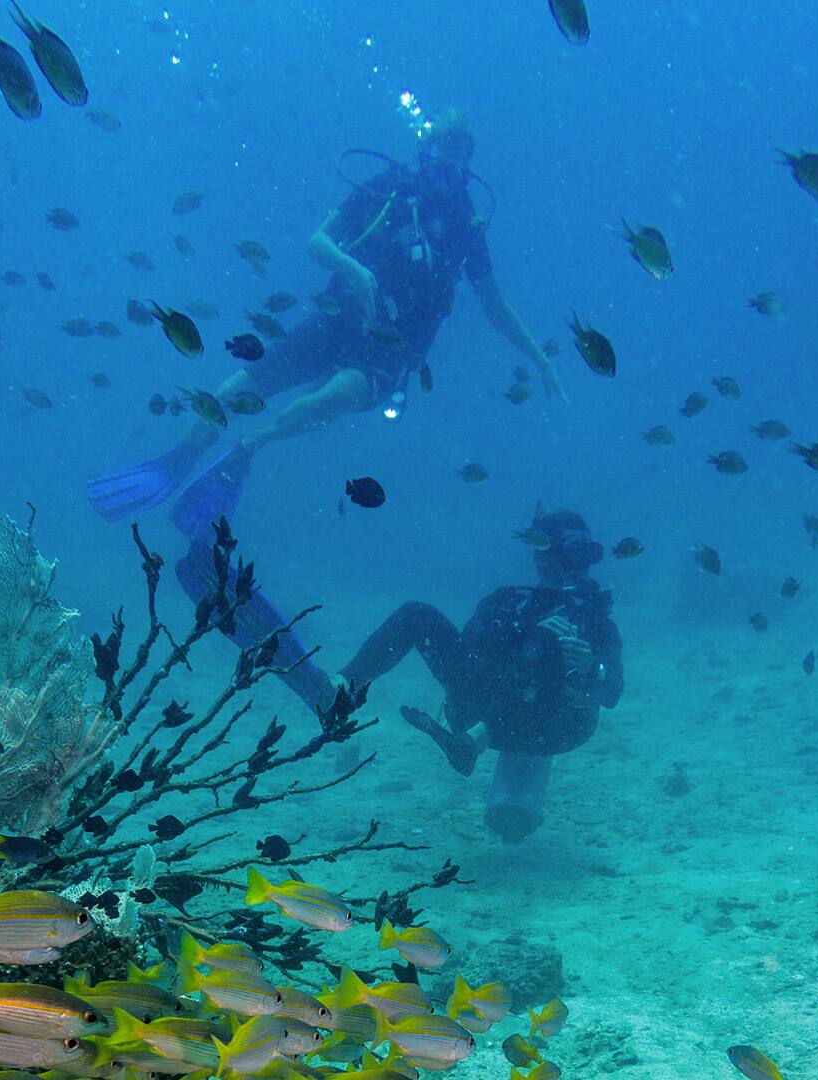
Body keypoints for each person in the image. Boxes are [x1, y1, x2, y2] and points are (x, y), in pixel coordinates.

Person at [87, 109, 565, 539]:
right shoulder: (387, 189)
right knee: (243, 385)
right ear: (425, 148)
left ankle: (247, 448)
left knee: (335, 396)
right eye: (443, 149)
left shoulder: (467, 224)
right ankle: (178, 458)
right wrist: (356, 272)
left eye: (462, 155)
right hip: (338, 321)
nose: (450, 163)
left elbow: (495, 305)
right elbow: (317, 242)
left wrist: (540, 358)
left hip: (393, 349)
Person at [333, 511, 623, 841]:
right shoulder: (507, 601)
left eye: (587, 550)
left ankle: (473, 742)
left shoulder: (597, 621)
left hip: (555, 727)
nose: (581, 561)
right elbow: (469, 657)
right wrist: (523, 638)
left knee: (546, 644)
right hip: (476, 711)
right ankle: (342, 687)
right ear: (542, 555)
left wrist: (589, 666)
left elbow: (612, 690)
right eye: (572, 548)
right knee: (417, 613)